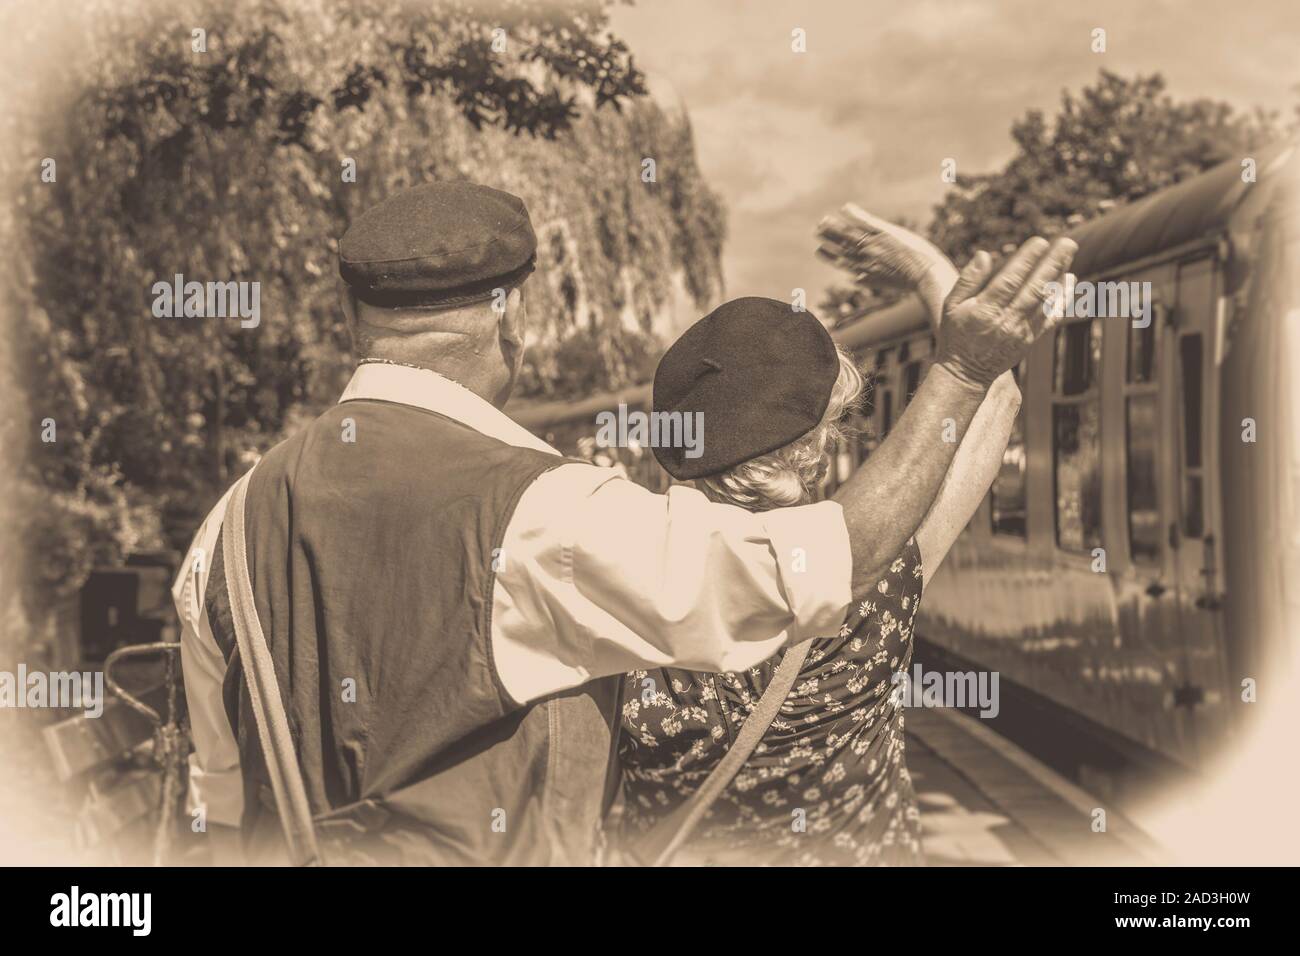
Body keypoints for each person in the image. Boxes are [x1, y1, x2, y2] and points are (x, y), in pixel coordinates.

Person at [171, 180, 1074, 865]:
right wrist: (953, 348)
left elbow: (214, 805)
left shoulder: (229, 526)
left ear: (349, 317)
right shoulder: (556, 523)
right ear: (510, 315)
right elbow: (839, 555)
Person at [616, 209, 1064, 865]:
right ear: (813, 456)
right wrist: (925, 268)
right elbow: (993, 399)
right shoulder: (870, 582)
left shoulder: (610, 576)